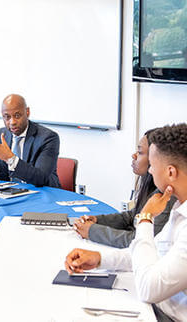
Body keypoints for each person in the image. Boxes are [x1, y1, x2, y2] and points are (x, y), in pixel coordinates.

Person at [65, 123, 187, 321]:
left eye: (154, 166)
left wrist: (146, 219)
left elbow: (149, 289)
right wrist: (100, 259)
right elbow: (152, 253)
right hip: (157, 309)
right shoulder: (177, 207)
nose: (151, 171)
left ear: (171, 172)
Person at [73, 129, 175, 248]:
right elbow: (132, 217)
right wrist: (97, 220)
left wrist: (92, 231)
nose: (134, 155)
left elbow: (139, 241)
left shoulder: (168, 196)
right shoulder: (155, 188)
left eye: (140, 152)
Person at [0, 94, 60, 187]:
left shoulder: (48, 138)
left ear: (27, 112)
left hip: (41, 194)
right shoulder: (0, 134)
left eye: (17, 116)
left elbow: (40, 178)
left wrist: (10, 159)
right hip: (8, 193)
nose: (12, 122)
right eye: (7, 117)